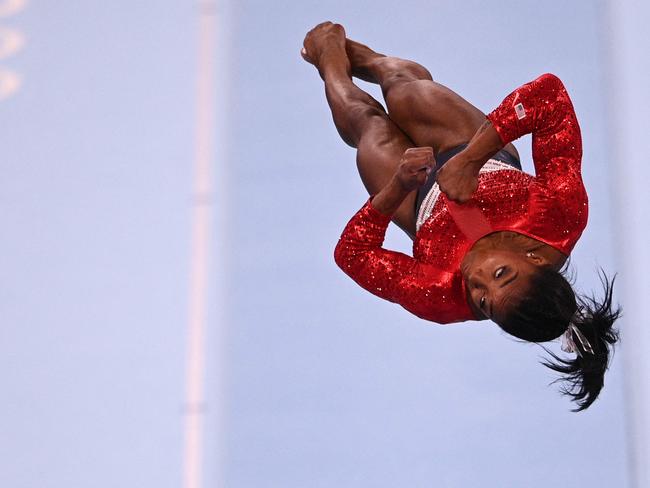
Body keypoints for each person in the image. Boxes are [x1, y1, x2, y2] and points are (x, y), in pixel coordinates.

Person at [302, 22, 620, 411]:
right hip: (470, 148)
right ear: (536, 259)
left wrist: (398, 187)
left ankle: (328, 62)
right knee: (405, 89)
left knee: (367, 123)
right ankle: (373, 62)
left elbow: (353, 254)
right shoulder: (561, 215)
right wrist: (471, 159)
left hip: (414, 199)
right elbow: (548, 97)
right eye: (501, 274)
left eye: (482, 299)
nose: (478, 278)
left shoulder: (440, 298)